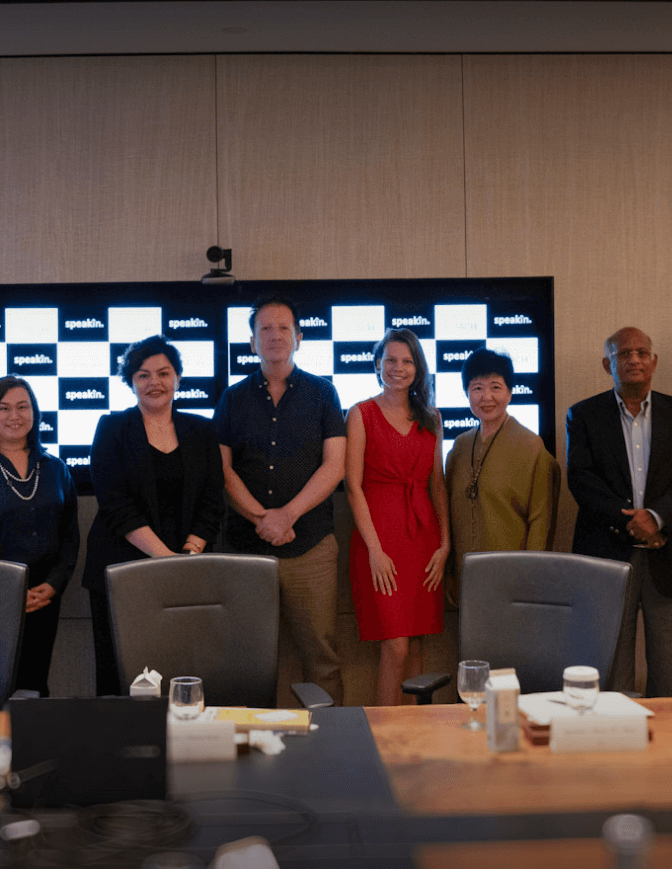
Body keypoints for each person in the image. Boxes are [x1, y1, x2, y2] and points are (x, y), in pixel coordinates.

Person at [214, 295, 348, 705]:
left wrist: (287, 515)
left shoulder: (323, 393)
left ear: (299, 337)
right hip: (246, 550)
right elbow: (223, 471)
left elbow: (335, 466)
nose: (275, 336)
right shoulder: (232, 398)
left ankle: (329, 738)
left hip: (311, 547)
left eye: (283, 328)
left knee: (321, 657)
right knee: (249, 658)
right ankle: (251, 741)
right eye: (265, 329)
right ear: (252, 341)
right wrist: (262, 518)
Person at [566, 327, 672, 697]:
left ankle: (666, 735)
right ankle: (615, 732)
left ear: (654, 361)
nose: (634, 359)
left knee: (669, 672)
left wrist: (657, 518)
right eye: (623, 353)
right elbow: (582, 480)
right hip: (608, 555)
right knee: (611, 669)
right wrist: (634, 522)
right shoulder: (583, 415)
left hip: (671, 554)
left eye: (642, 352)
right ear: (607, 364)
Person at [83, 336, 224, 696]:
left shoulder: (202, 430)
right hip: (121, 570)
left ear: (178, 378)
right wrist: (167, 562)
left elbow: (212, 501)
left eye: (163, 373)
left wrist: (187, 556)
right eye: (143, 375)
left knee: (182, 670)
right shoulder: (111, 428)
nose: (154, 382)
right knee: (121, 676)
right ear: (131, 381)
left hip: (188, 571)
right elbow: (116, 505)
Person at [0, 377, 79, 698]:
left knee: (35, 686)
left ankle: (35, 733)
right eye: (4, 408)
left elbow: (69, 537)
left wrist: (54, 584)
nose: (14, 416)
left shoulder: (56, 469)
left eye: (23, 407)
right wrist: (11, 591)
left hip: (45, 595)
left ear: (34, 413)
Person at [345, 329, 450, 707]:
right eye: (391, 360)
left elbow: (437, 485)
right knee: (396, 646)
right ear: (378, 364)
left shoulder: (432, 417)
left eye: (407, 361)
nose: (398, 368)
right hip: (379, 540)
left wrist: (445, 545)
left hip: (423, 540)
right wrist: (375, 550)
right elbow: (353, 486)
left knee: (416, 645)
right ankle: (383, 733)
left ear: (418, 369)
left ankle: (414, 733)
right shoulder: (361, 413)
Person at [444, 349, 556, 603]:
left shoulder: (531, 446)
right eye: (477, 388)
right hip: (466, 577)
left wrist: (530, 577)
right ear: (467, 393)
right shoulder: (459, 447)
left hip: (514, 580)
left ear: (510, 392)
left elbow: (542, 521)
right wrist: (449, 571)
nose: (486, 397)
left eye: (495, 387)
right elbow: (448, 515)